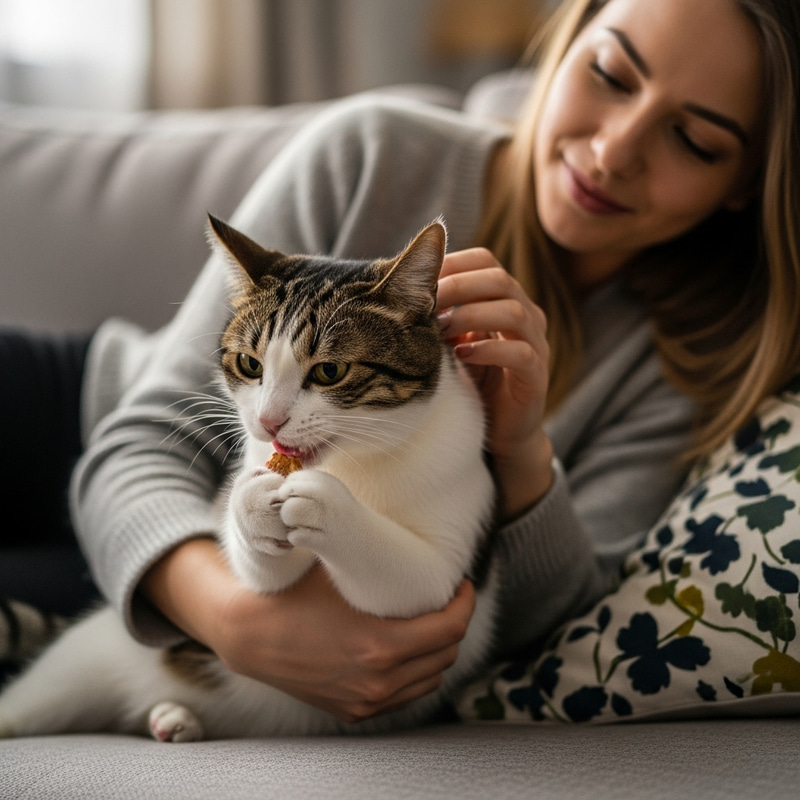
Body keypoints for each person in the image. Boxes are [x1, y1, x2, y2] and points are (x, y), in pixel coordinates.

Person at [3, 0, 799, 723]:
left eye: (692, 139)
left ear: (743, 180)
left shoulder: (682, 363)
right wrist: (233, 623)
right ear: (563, 45)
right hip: (91, 413)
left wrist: (521, 452)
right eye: (610, 73)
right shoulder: (376, 151)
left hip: (185, 562)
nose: (614, 149)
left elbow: (548, 626)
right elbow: (141, 437)